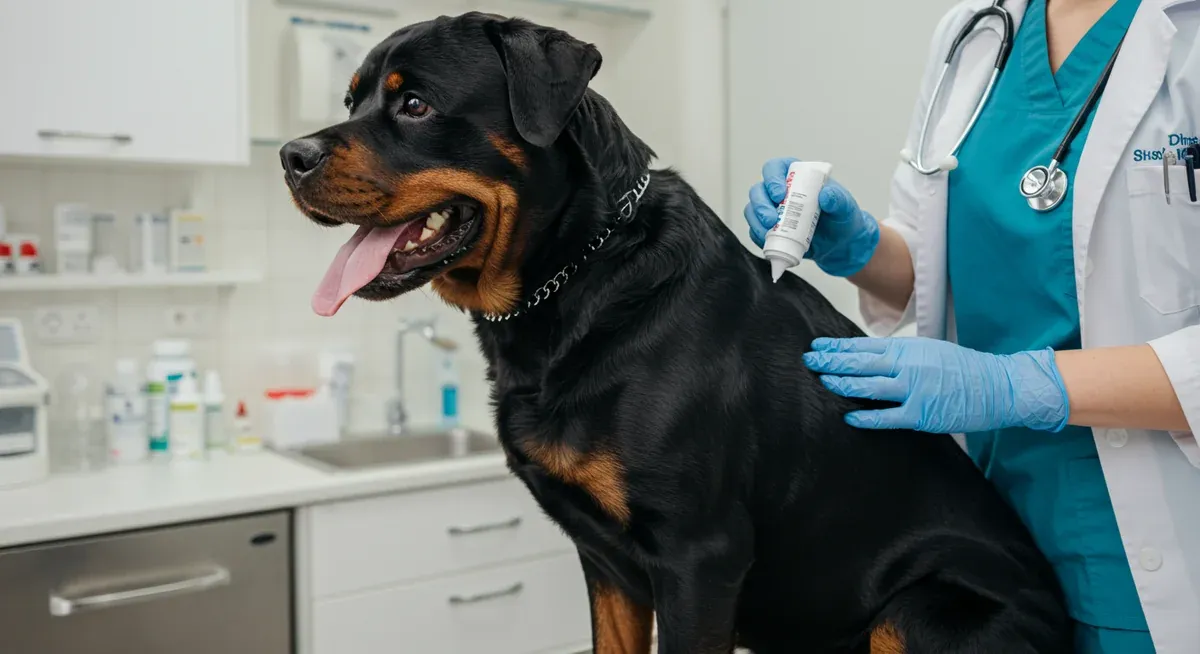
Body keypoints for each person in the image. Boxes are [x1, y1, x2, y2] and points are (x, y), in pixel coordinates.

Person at [744, 0, 1200, 652]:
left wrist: (1015, 384)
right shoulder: (974, 32)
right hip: (983, 536)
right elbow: (941, 268)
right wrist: (862, 249)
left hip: (1156, 545)